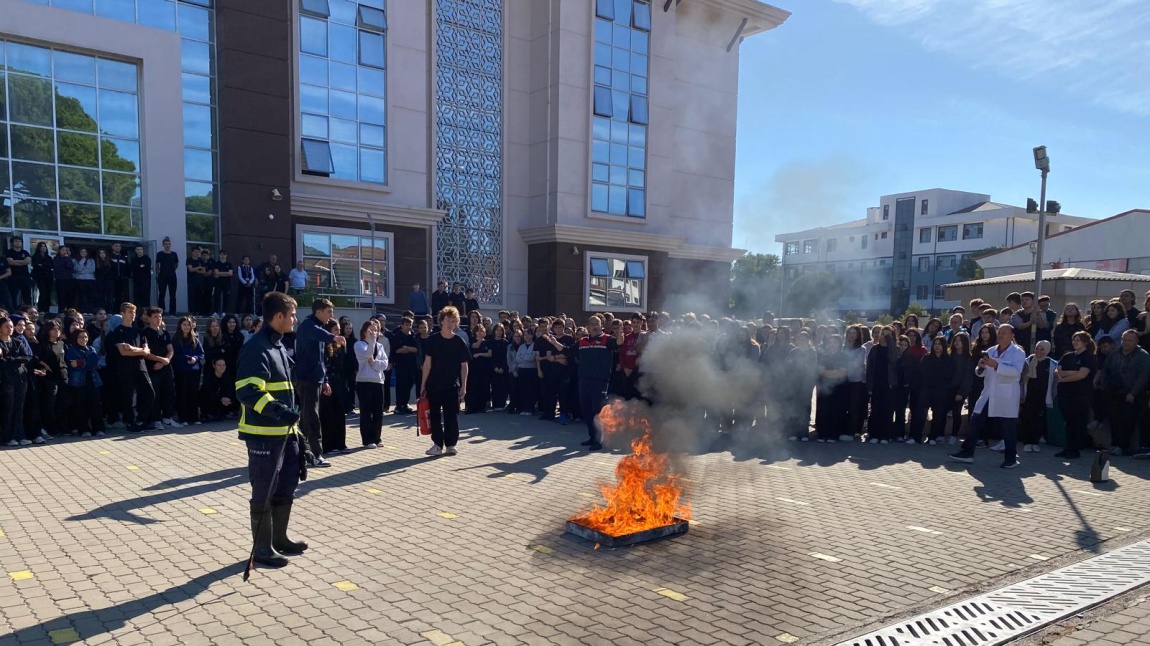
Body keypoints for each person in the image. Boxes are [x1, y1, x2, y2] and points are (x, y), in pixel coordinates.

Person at [235, 291, 307, 569]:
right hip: (263, 434)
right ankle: (262, 548)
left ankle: (280, 540)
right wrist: (281, 413)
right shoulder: (257, 348)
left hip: (286, 434)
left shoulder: (277, 345)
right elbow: (247, 391)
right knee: (263, 489)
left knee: (287, 485)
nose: (294, 319)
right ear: (278, 317)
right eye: (291, 314)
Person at [951, 323, 1027, 468]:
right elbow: (982, 373)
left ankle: (1010, 459)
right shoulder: (991, 350)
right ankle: (967, 453)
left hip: (1006, 395)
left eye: (1004, 333)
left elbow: (1016, 372)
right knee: (975, 421)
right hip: (989, 393)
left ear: (1012, 336)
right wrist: (980, 367)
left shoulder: (1018, 352)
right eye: (999, 333)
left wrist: (996, 365)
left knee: (1008, 428)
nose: (1001, 335)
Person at [294, 298, 345, 466]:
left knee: (309, 417)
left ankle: (302, 451)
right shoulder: (309, 325)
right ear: (319, 312)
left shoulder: (319, 327)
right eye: (329, 312)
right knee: (311, 418)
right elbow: (319, 334)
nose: (332, 316)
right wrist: (334, 337)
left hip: (316, 379)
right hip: (307, 379)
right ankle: (315, 455)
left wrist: (325, 380)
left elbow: (321, 359)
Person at [420, 306, 470, 456]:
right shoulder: (432, 340)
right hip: (434, 385)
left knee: (451, 416)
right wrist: (423, 385)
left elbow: (464, 365)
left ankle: (450, 445)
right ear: (441, 321)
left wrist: (464, 385)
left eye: (454, 321)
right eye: (448, 320)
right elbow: (427, 364)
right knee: (434, 415)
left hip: (452, 385)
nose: (451, 324)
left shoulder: (459, 341)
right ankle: (437, 444)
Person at [105, 303, 159, 434]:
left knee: (149, 392)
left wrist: (134, 349)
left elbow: (146, 351)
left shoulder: (139, 331)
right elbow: (124, 352)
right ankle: (130, 422)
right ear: (122, 313)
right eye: (129, 312)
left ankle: (141, 420)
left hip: (140, 366)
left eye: (134, 312)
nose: (133, 314)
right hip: (125, 367)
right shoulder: (117, 332)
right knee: (127, 396)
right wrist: (139, 350)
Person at [1095, 329, 1150, 455]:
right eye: (1124, 340)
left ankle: (1123, 447)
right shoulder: (1114, 354)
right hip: (1114, 393)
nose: (1127, 343)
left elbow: (1143, 377)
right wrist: (1105, 386)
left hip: (1132, 394)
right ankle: (1114, 444)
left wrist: (1133, 393)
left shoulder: (1143, 356)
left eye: (1130, 340)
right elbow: (1105, 370)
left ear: (1137, 341)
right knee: (1114, 420)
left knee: (1127, 422)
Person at [576, 315, 617, 451]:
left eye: (597, 323)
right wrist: (553, 342)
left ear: (601, 325)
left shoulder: (607, 339)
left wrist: (621, 334)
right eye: (592, 323)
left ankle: (599, 440)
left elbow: (618, 344)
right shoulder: (582, 341)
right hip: (584, 380)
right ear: (588, 326)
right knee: (586, 411)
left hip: (599, 381)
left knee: (598, 411)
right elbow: (567, 350)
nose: (594, 326)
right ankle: (591, 437)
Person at [1054, 331, 1097, 459]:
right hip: (1065, 393)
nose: (1075, 342)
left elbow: (1081, 375)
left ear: (1084, 342)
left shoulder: (1088, 357)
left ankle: (1075, 449)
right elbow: (1057, 371)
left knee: (1078, 422)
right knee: (1068, 422)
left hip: (1080, 394)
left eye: (1078, 340)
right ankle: (1067, 447)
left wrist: (1064, 378)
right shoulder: (1067, 356)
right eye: (1074, 340)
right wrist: (1071, 372)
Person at [142, 307, 179, 430]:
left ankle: (167, 418)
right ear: (149, 318)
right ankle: (156, 419)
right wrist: (160, 360)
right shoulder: (145, 333)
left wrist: (165, 361)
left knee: (169, 391)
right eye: (155, 317)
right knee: (155, 393)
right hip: (152, 367)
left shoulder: (165, 333)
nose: (158, 319)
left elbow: (170, 350)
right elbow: (146, 352)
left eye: (160, 317)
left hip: (165, 367)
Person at [354, 319, 388, 448]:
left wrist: (374, 363)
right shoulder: (359, 345)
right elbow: (367, 353)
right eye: (371, 330)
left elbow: (384, 363)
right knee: (366, 412)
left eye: (376, 330)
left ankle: (377, 437)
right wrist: (372, 341)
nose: (374, 332)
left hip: (378, 381)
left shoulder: (379, 346)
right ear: (364, 331)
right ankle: (368, 439)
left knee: (378, 411)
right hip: (364, 382)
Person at [0, 316, 34, 446]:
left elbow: (26, 358)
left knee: (19, 409)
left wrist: (11, 359)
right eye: (6, 326)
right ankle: (8, 437)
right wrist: (14, 360)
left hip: (20, 379)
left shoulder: (17, 342)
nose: (10, 329)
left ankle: (19, 435)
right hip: (6, 380)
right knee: (8, 408)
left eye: (11, 326)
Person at [65, 328, 105, 438]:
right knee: (80, 406)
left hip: (93, 380)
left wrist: (80, 362)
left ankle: (98, 428)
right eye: (81, 337)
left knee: (96, 405)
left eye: (86, 337)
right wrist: (83, 363)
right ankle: (83, 429)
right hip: (78, 382)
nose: (84, 339)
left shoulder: (91, 349)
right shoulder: (71, 350)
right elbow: (72, 365)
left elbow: (94, 363)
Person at [1019, 340, 1056, 454]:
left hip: (1042, 396)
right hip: (1028, 395)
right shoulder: (1028, 361)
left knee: (1039, 419)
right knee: (1027, 418)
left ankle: (1035, 442)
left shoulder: (1052, 364)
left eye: (1042, 349)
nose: (1039, 351)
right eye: (1037, 349)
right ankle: (1027, 442)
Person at [172, 315, 205, 426]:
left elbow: (201, 353)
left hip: (194, 371)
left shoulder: (195, 339)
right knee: (182, 394)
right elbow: (175, 355)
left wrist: (195, 358)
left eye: (188, 325)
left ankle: (194, 417)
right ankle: (183, 418)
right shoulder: (176, 339)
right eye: (184, 325)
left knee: (193, 394)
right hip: (181, 371)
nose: (186, 327)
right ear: (180, 326)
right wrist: (187, 358)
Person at [390, 316, 420, 415]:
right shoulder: (397, 336)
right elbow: (398, 350)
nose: (408, 327)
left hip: (411, 365)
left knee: (409, 384)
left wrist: (406, 348)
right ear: (402, 325)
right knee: (401, 385)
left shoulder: (413, 336)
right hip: (401, 365)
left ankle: (405, 404)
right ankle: (399, 406)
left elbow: (416, 349)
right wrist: (408, 349)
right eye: (406, 325)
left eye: (410, 325)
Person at [200, 357, 238, 422]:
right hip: (212, 400)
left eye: (223, 365)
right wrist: (221, 399)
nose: (222, 367)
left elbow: (230, 390)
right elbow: (208, 392)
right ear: (214, 366)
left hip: (223, 400)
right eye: (219, 365)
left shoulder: (228, 377)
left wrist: (228, 399)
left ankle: (227, 412)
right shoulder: (209, 377)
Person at [5, 236, 33, 308]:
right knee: (13, 294)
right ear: (12, 243)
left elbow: (28, 261)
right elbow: (10, 262)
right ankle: (13, 310)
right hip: (13, 276)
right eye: (16, 241)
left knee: (27, 294)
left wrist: (16, 261)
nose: (18, 243)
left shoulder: (25, 252)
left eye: (20, 241)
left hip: (25, 276)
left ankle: (28, 310)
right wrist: (22, 262)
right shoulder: (9, 252)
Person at [32, 242, 54, 314]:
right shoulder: (35, 256)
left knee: (48, 294)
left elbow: (51, 266)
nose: (43, 248)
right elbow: (36, 266)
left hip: (48, 278)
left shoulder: (49, 257)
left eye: (44, 246)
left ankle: (47, 309)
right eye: (41, 246)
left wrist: (43, 265)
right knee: (42, 293)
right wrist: (45, 266)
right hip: (40, 277)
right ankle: (41, 309)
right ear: (39, 247)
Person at [72, 248, 96, 312]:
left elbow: (92, 270)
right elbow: (77, 269)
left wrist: (82, 271)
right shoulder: (75, 260)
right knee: (82, 296)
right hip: (80, 280)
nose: (83, 253)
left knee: (90, 296)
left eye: (85, 251)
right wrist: (82, 261)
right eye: (81, 251)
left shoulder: (91, 260)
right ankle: (83, 310)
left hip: (90, 280)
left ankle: (90, 311)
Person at [212, 250, 234, 316]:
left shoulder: (229, 264)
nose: (223, 256)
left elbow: (230, 273)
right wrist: (226, 273)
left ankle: (224, 312)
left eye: (224, 254)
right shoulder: (216, 263)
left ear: (226, 255)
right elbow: (216, 273)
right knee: (217, 297)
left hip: (227, 283)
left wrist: (220, 273)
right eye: (221, 254)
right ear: (219, 255)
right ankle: (216, 312)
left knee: (226, 297)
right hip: (218, 283)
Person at [109, 241, 130, 308]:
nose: (118, 248)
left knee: (122, 296)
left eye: (119, 246)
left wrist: (126, 276)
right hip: (112, 280)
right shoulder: (109, 257)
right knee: (112, 296)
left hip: (122, 280)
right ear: (112, 247)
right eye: (116, 246)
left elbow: (127, 268)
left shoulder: (123, 258)